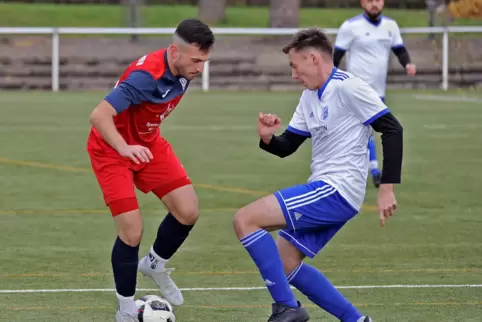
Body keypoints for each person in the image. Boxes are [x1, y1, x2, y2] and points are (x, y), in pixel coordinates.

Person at [233, 28, 403, 322]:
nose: (294, 76)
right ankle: (357, 320)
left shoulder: (348, 87)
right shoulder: (309, 96)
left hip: (336, 190)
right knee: (286, 261)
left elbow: (392, 129)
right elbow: (287, 147)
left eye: (295, 67)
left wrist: (386, 188)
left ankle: (286, 307)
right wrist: (268, 138)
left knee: (245, 219)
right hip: (328, 191)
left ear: (313, 58)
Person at [86, 18, 215, 322]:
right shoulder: (146, 77)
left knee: (188, 210)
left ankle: (154, 264)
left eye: (205, 61)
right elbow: (99, 115)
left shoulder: (185, 70)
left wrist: (138, 143)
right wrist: (123, 147)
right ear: (174, 51)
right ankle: (127, 308)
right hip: (111, 150)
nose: (200, 67)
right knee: (132, 231)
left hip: (148, 144)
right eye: (195, 60)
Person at [333, 0, 415, 188]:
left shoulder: (390, 26)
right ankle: (375, 169)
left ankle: (367, 168)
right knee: (366, 128)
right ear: (363, 3)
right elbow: (336, 57)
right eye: (370, 1)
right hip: (355, 89)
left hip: (378, 91)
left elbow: (399, 50)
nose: (374, 4)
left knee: (364, 131)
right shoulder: (350, 26)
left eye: (377, 0)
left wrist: (408, 64)